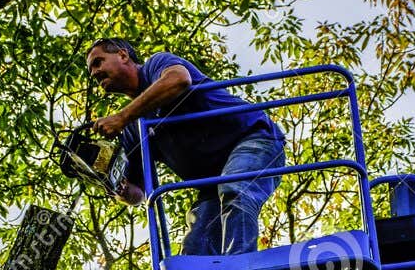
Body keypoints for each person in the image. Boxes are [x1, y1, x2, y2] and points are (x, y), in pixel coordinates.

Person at [85, 38, 286, 256]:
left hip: (254, 139)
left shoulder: (156, 65)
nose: (94, 73)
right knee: (196, 245)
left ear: (123, 56)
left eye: (98, 62)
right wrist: (114, 185)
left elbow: (179, 80)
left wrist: (122, 117)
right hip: (212, 183)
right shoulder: (134, 128)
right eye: (91, 70)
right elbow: (138, 193)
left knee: (234, 190)